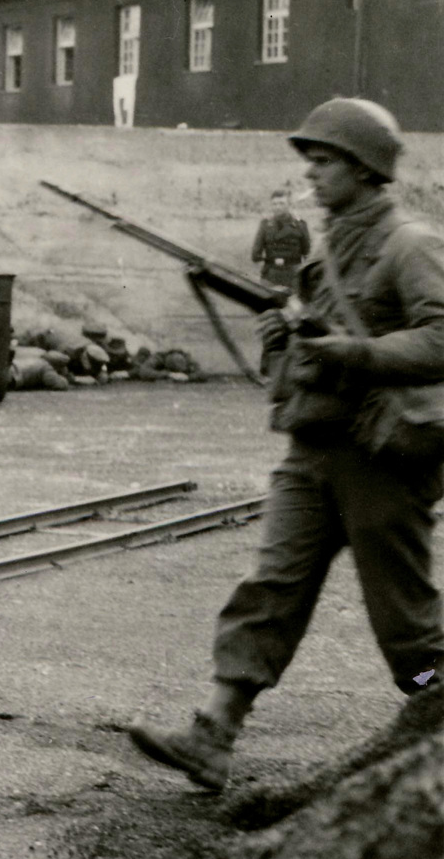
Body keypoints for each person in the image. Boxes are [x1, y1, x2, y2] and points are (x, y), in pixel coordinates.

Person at [130, 98, 444, 792]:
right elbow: (316, 346)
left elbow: (441, 337)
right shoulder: (329, 247)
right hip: (313, 450)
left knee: (407, 625)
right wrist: (285, 344)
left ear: (365, 170)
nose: (311, 172)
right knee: (270, 588)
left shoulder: (409, 244)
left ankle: (436, 711)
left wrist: (355, 354)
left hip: (381, 458)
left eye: (324, 160)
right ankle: (214, 733)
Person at [252, 187, 311, 295]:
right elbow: (255, 255)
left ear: (289, 205)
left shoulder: (300, 225)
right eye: (274, 204)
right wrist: (266, 270)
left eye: (281, 203)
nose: (277, 207)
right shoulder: (265, 225)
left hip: (293, 275)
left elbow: (307, 254)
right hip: (270, 276)